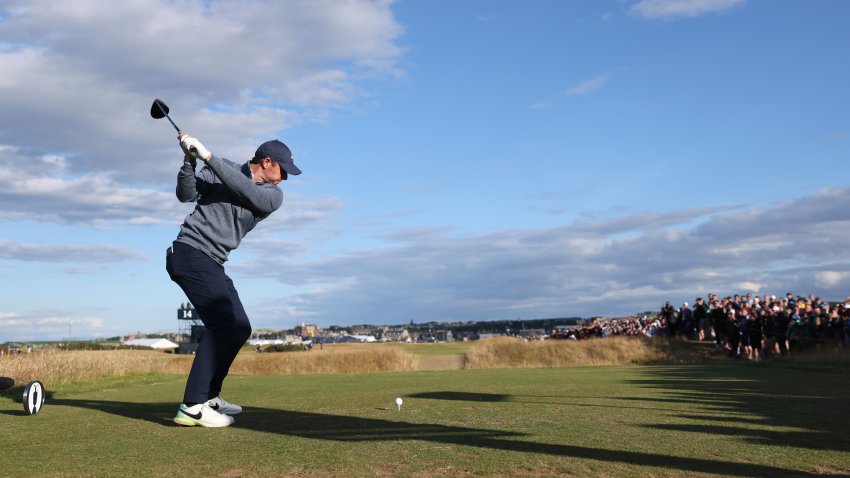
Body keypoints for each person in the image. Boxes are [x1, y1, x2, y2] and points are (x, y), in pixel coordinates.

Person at [166, 133, 301, 427]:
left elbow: (246, 192)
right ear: (267, 162)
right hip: (190, 253)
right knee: (223, 324)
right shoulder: (220, 168)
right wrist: (189, 161)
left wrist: (209, 158)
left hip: (213, 261)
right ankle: (192, 406)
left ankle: (210, 394)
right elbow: (186, 194)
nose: (285, 179)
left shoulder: (272, 196)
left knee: (240, 327)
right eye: (284, 171)